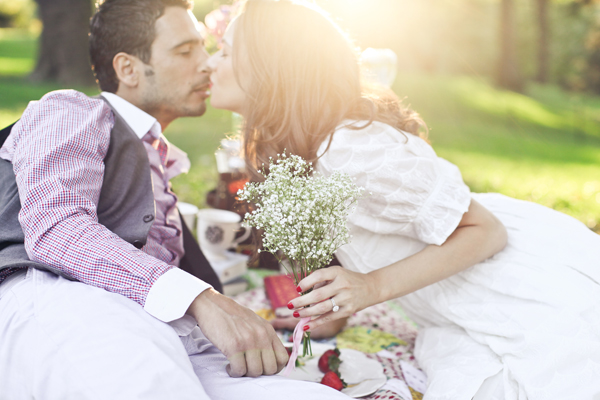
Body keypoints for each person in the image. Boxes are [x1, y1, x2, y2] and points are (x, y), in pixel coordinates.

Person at [206, 0, 600, 398]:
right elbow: (367, 235)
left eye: (223, 52)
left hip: (507, 281)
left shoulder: (348, 148)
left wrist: (370, 288)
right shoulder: (302, 149)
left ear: (271, 70)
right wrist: (335, 309)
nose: (210, 65)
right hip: (447, 295)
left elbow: (485, 230)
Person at [0, 1, 351, 399]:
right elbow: (56, 230)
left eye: (203, 48)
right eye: (185, 51)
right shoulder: (70, 111)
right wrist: (201, 299)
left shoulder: (156, 162)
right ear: (128, 69)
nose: (206, 64)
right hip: (59, 296)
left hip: (160, 327)